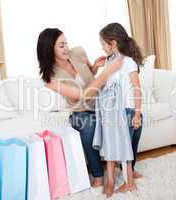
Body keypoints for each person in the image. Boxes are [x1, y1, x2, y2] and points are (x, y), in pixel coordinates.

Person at [36, 28, 122, 187]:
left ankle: (128, 166)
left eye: (66, 43)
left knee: (128, 118)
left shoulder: (78, 52)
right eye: (61, 45)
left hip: (100, 103)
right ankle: (97, 174)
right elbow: (84, 95)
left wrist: (96, 67)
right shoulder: (50, 79)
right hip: (80, 111)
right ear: (49, 49)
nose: (67, 48)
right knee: (89, 126)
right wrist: (107, 72)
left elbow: (88, 73)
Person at [92, 23, 143, 197]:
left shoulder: (127, 62)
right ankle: (112, 181)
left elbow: (136, 88)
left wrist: (137, 113)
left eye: (103, 43)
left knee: (124, 148)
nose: (101, 46)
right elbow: (103, 83)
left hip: (127, 111)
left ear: (113, 43)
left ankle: (129, 183)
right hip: (112, 112)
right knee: (112, 146)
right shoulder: (109, 61)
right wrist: (97, 68)